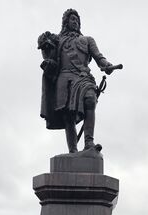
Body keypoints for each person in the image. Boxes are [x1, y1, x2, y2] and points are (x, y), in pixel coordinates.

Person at [38, 9, 114, 153]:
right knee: (68, 115)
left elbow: (99, 57)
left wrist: (106, 65)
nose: (75, 22)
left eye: (77, 20)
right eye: (72, 19)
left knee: (90, 100)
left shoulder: (88, 40)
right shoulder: (58, 40)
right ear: (66, 22)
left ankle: (89, 143)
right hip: (64, 79)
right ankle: (73, 151)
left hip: (83, 77)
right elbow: (49, 57)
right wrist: (45, 47)